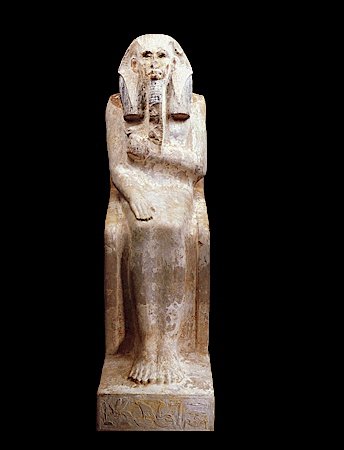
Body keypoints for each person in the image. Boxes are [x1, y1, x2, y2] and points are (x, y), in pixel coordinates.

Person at [105, 34, 207, 384]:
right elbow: (118, 167)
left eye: (161, 56)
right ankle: (148, 348)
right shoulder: (117, 107)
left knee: (170, 228)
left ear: (175, 63)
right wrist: (134, 194)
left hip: (176, 187)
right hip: (138, 186)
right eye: (146, 56)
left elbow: (198, 165)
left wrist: (154, 153)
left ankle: (171, 348)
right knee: (146, 229)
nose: (154, 64)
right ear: (133, 64)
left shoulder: (195, 105)